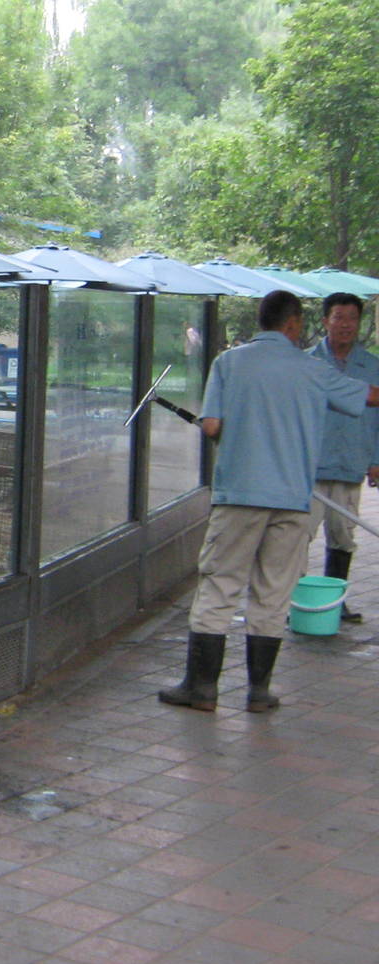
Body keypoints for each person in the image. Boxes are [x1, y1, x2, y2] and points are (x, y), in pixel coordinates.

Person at [160, 290, 379, 714]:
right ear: (293, 323)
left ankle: (201, 688)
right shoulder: (313, 369)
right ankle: (259, 692)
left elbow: (211, 426)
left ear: (262, 321)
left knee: (220, 586)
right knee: (273, 592)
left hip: (240, 495)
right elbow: (369, 396)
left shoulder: (228, 363)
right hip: (293, 499)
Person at [308, 292, 379, 624]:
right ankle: (295, 600)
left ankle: (334, 602)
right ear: (325, 321)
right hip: (311, 465)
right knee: (298, 534)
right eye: (339, 317)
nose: (346, 325)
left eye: (352, 318)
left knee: (343, 535)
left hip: (351, 462)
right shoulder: (307, 362)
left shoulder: (372, 366)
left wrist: (375, 459)